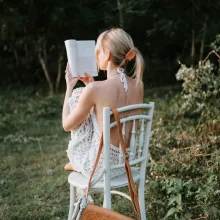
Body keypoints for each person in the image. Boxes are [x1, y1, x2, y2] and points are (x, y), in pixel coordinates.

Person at [62, 28, 144, 179]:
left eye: (98, 51)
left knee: (76, 96)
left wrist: (69, 87)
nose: (96, 56)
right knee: (87, 100)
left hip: (101, 167)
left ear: (107, 54)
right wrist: (91, 85)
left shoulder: (95, 89)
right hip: (126, 161)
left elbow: (67, 125)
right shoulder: (138, 85)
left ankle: (79, 163)